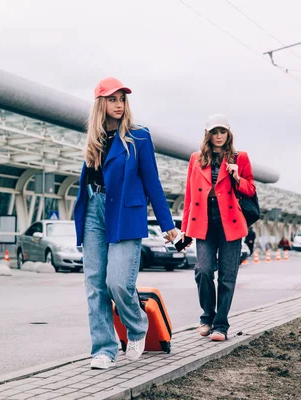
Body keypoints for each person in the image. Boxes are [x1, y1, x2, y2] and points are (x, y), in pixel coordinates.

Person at [73, 77, 178, 370]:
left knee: (118, 283)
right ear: (101, 104)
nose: (119, 105)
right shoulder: (93, 137)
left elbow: (152, 183)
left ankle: (137, 327)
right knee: (95, 284)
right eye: (112, 99)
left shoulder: (139, 136)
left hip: (125, 214)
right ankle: (104, 349)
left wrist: (168, 223)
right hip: (94, 209)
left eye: (122, 99)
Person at [180, 114, 256, 342]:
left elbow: (250, 189)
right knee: (203, 271)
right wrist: (184, 229)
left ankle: (220, 325)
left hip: (230, 223)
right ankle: (207, 316)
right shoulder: (196, 159)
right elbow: (189, 195)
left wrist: (236, 177)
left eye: (222, 131)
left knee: (226, 276)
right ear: (207, 135)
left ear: (228, 133)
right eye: (214, 132)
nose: (219, 136)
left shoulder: (239, 158)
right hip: (204, 222)